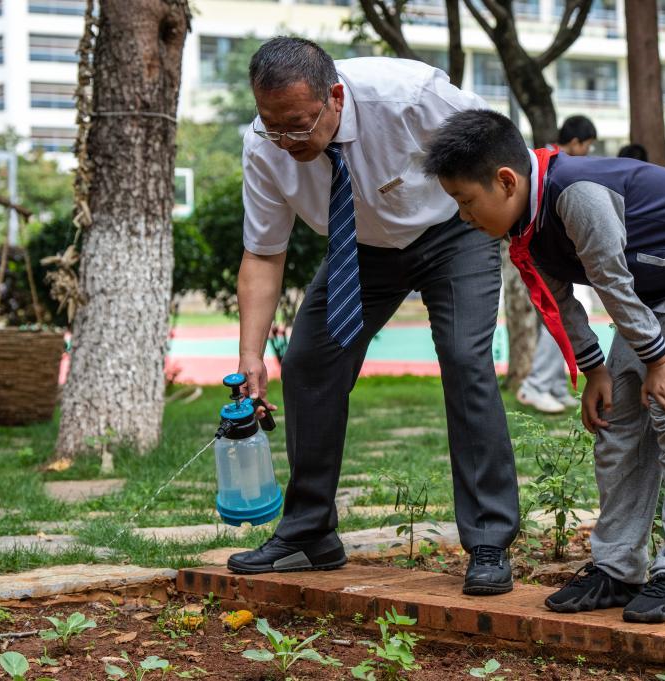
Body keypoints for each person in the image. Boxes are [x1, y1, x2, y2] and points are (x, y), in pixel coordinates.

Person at [424, 110, 665, 623]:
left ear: (506, 181)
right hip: (657, 288)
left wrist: (660, 360)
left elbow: (610, 283)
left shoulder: (576, 195)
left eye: (467, 201)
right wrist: (596, 372)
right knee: (618, 418)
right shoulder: (526, 226)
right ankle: (618, 567)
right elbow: (561, 299)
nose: (464, 216)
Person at [226, 38, 519, 596]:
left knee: (464, 357)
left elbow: (498, 150)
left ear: (335, 96)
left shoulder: (409, 97)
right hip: (359, 246)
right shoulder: (263, 145)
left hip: (452, 230)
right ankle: (310, 532)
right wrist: (250, 355)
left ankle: (488, 539)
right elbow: (264, 252)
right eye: (272, 126)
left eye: (298, 125)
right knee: (310, 362)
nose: (285, 141)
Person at [516, 115, 597, 414]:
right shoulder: (552, 163)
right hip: (542, 254)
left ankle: (554, 385)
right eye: (587, 145)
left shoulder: (545, 158)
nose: (587, 152)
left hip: (553, 255)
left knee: (557, 319)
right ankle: (535, 385)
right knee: (560, 318)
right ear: (575, 142)